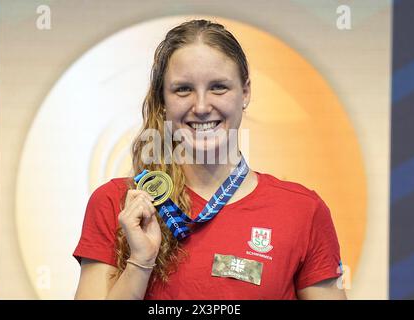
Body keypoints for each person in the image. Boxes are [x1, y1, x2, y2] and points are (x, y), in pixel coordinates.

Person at [73, 19, 346, 300]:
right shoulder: (118, 204)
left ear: (246, 92)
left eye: (218, 87)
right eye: (183, 89)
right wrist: (141, 262)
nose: (201, 107)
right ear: (163, 100)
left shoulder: (302, 210)